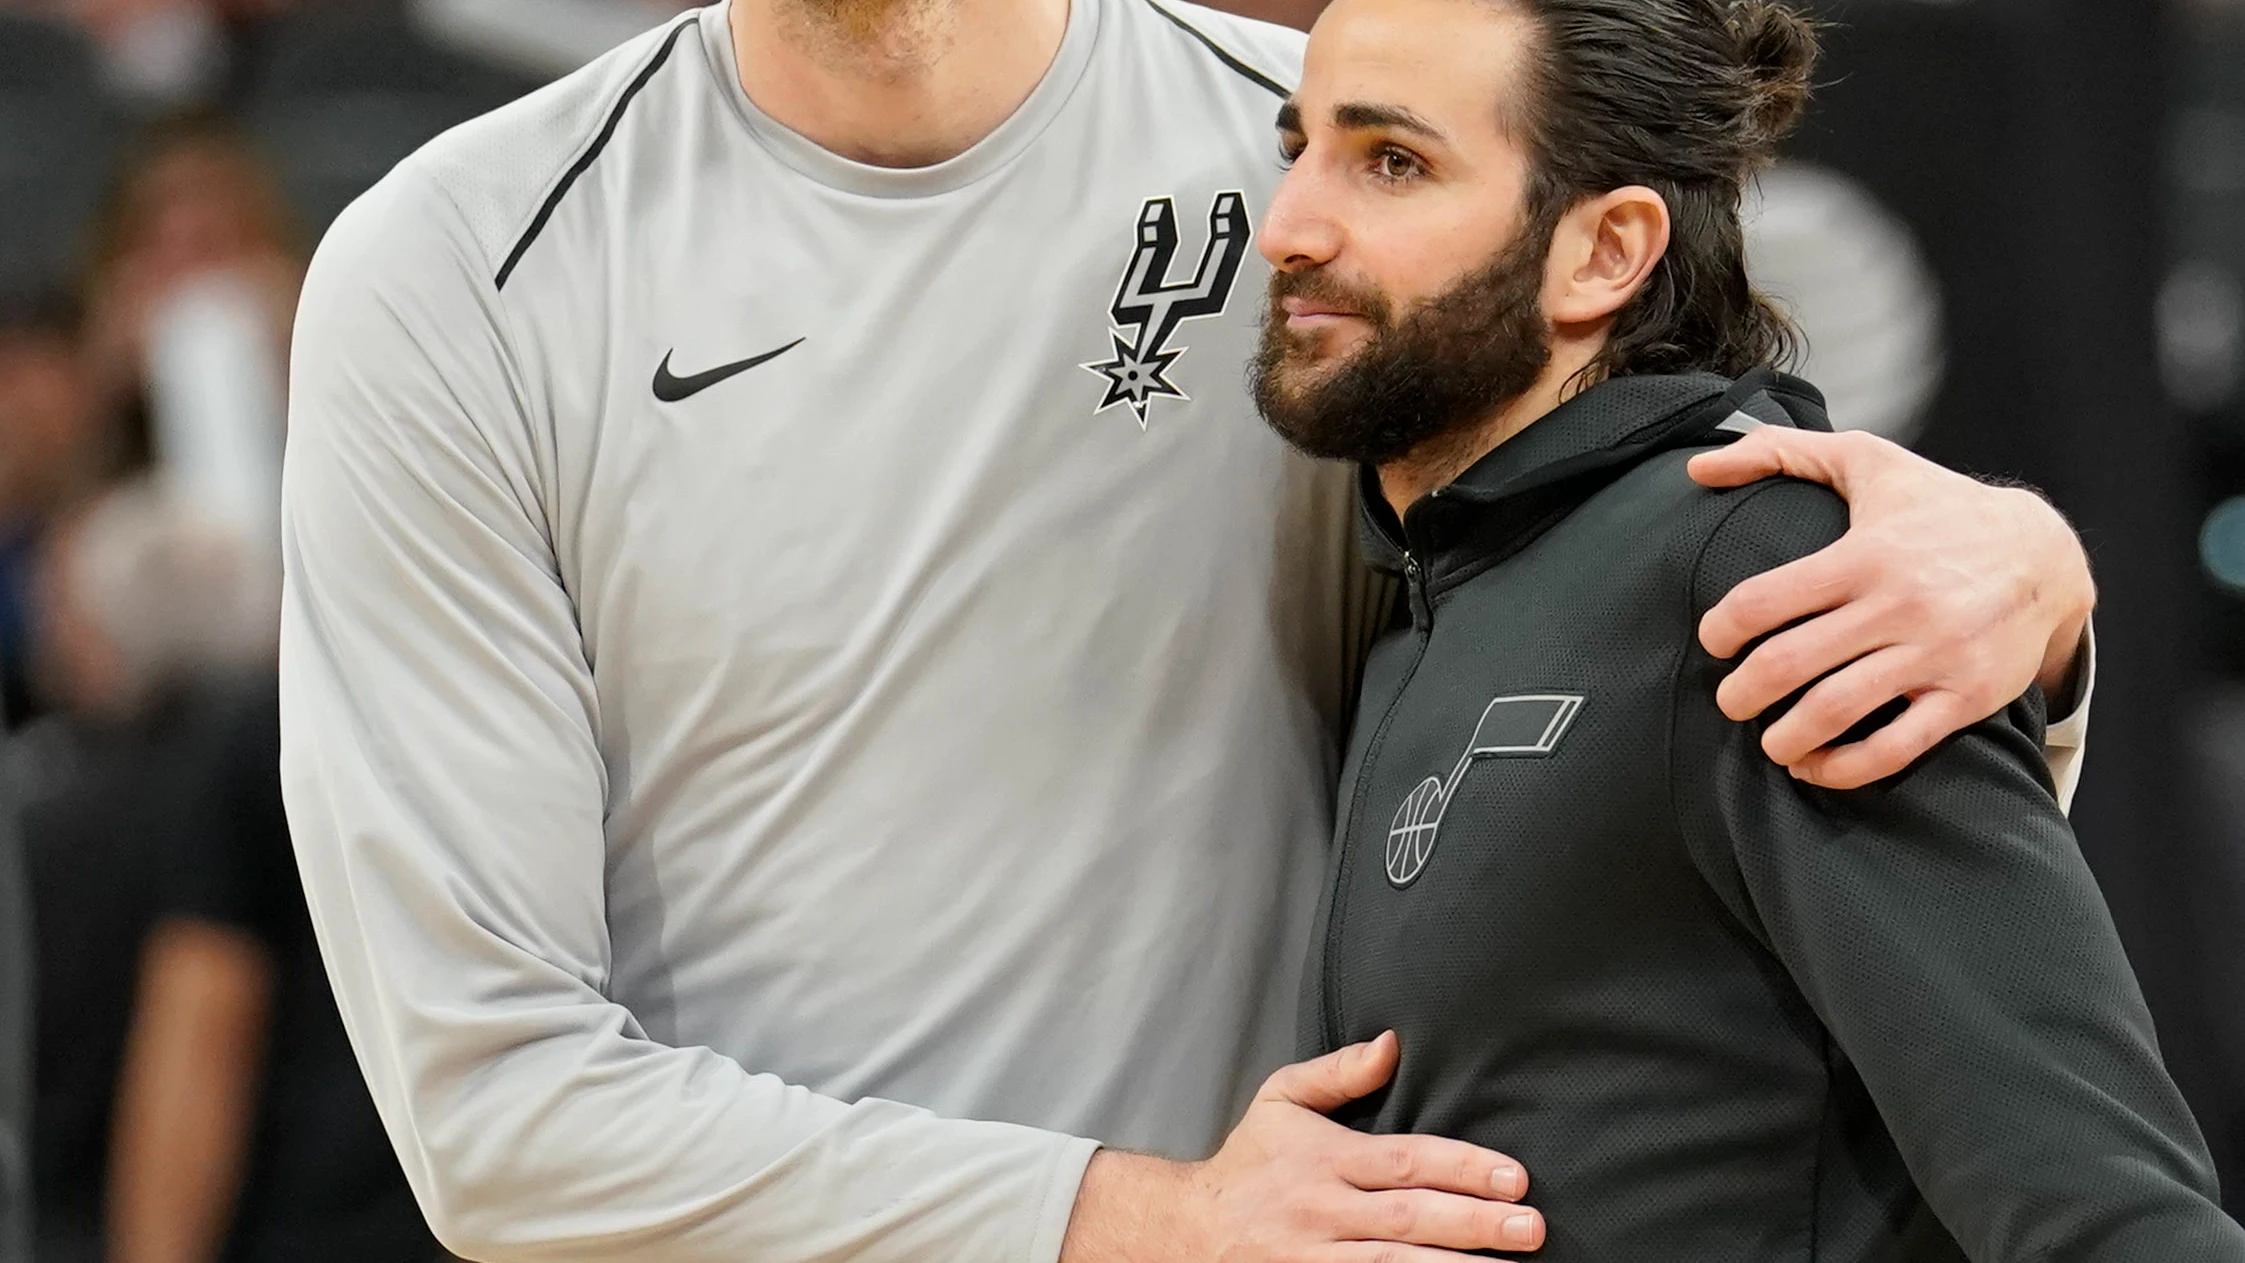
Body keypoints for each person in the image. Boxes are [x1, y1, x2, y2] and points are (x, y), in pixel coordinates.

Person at [276, 0, 2099, 1258]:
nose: (1336, 188)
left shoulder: (1326, 158)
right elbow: (495, 1108)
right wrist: (1134, 1214)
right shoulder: (456, 277)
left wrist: (2031, 586)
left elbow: (1716, 609)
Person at [1259, 0, 2245, 1258]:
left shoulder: (1758, 566)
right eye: (1298, 149)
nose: (1290, 228)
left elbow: (2102, 1209)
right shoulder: (1417, 597)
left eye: (1392, 162)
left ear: (1605, 252)